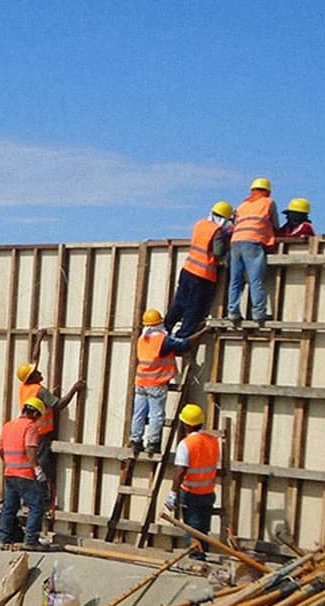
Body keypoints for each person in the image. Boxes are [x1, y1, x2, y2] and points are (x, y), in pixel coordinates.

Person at [129, 309, 209, 455]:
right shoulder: (162, 340)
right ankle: (153, 443)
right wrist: (204, 331)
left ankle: (135, 441)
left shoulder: (142, 339)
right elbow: (185, 344)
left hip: (140, 382)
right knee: (156, 415)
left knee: (139, 413)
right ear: (159, 323)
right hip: (156, 383)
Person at [16, 332, 85, 492]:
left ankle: (32, 492)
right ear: (32, 377)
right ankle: (42, 494)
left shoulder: (25, 387)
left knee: (33, 464)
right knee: (42, 464)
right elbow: (58, 405)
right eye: (36, 372)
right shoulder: (40, 390)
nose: (40, 372)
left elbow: (34, 359)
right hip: (41, 433)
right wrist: (74, 389)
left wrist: (39, 339)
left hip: (29, 430)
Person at [163, 202, 232, 339]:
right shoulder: (216, 231)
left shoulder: (199, 224)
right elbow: (218, 252)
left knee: (180, 302)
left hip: (188, 269)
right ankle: (182, 336)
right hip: (202, 275)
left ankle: (166, 327)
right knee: (194, 307)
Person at [164, 403, 220, 561]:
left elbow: (180, 471)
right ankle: (202, 553)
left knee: (192, 526)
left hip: (191, 492)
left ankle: (196, 556)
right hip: (208, 491)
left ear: (186, 424)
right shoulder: (213, 440)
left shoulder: (186, 444)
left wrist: (173, 494)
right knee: (203, 527)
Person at [0, 397, 48, 551]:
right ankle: (31, 540)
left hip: (10, 473)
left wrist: (9, 463)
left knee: (9, 507)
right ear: (35, 413)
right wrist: (37, 469)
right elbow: (30, 449)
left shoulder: (9, 425)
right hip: (25, 474)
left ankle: (4, 539)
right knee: (37, 506)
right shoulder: (30, 427)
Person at [227, 177, 281, 324]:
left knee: (236, 280)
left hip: (236, 241)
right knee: (255, 279)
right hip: (253, 241)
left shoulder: (242, 205)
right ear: (267, 191)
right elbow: (276, 225)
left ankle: (233, 312)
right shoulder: (268, 202)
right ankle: (258, 313)